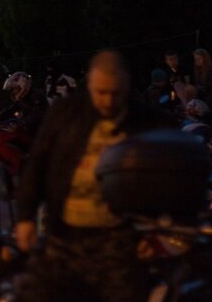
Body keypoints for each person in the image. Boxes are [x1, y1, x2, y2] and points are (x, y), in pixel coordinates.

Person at [14, 50, 174, 301]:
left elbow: (168, 179)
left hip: (119, 243)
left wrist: (157, 230)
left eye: (115, 93)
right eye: (101, 93)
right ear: (89, 84)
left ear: (127, 86)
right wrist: (24, 217)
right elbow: (38, 162)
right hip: (65, 236)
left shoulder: (148, 122)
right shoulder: (65, 114)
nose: (108, 101)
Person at [0, 72, 48, 136]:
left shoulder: (36, 96)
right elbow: (12, 109)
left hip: (41, 131)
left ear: (23, 86)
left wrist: (21, 123)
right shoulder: (23, 97)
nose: (13, 92)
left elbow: (37, 115)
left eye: (15, 89)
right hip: (29, 128)